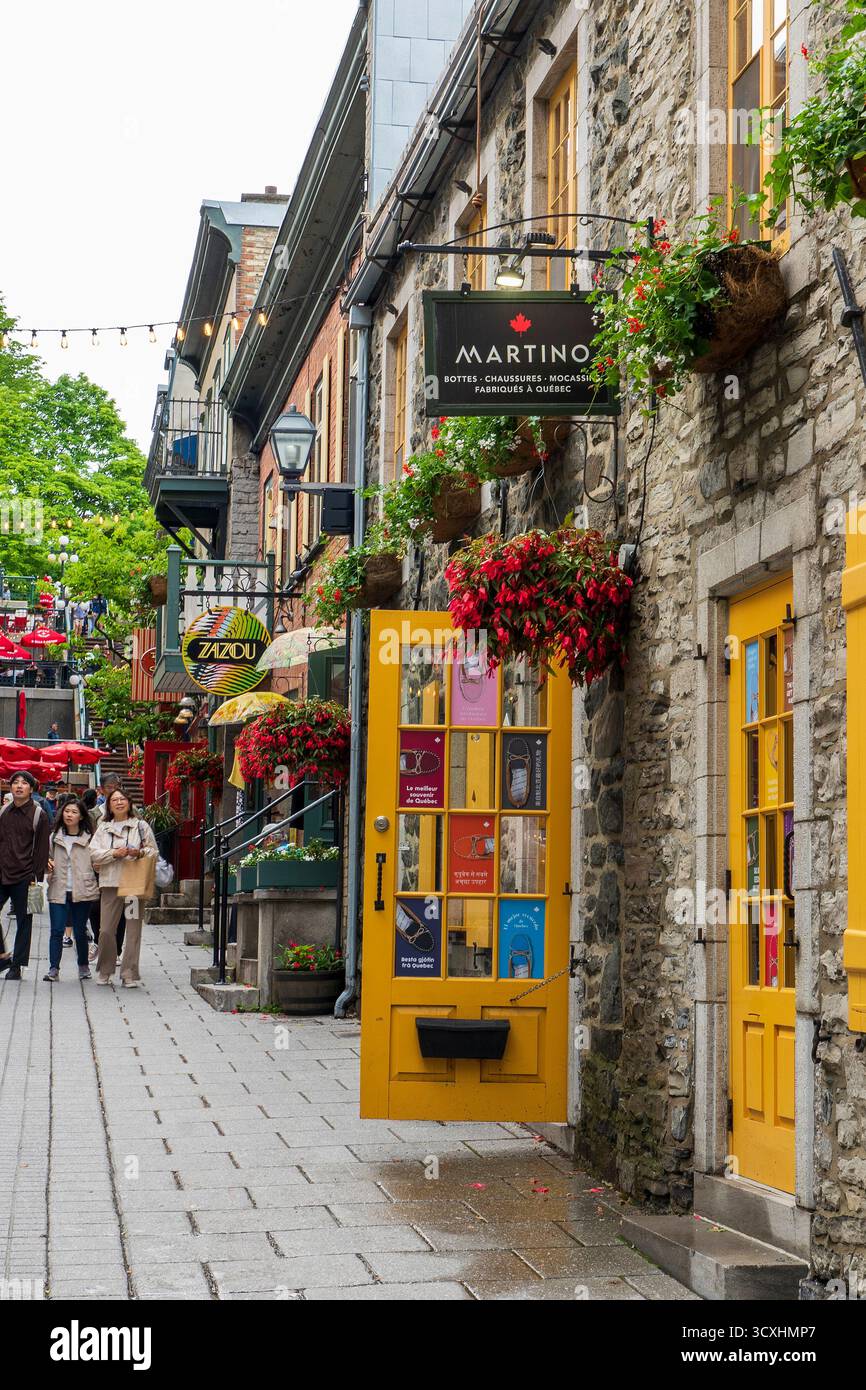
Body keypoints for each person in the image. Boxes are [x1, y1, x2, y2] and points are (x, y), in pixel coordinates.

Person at [90, 786, 157, 988]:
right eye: (114, 800)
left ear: (129, 803)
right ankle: (105, 969)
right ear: (109, 805)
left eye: (122, 799)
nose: (119, 802)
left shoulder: (141, 826)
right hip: (110, 883)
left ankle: (129, 973)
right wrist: (114, 853)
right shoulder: (103, 827)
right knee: (106, 930)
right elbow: (93, 853)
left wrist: (139, 853)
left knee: (133, 929)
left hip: (134, 886)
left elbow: (154, 852)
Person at [0, 771, 50, 981]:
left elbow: (41, 851)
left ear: (31, 788)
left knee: (24, 921)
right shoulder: (3, 812)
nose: (19, 786)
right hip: (1, 872)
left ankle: (17, 966)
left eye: (24, 783)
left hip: (25, 877)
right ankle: (3, 957)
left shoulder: (39, 815)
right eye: (15, 783)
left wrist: (35, 878)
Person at [43, 798, 99, 983]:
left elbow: (97, 862)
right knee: (56, 931)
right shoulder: (54, 837)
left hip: (82, 890)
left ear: (81, 816)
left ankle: (83, 965)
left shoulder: (90, 838)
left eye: (74, 812)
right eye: (67, 811)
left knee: (80, 931)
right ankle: (53, 968)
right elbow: (46, 859)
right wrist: (46, 865)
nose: (69, 815)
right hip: (58, 888)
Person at [80, 789, 102, 957]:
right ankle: (97, 940)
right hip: (91, 866)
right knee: (94, 907)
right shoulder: (93, 814)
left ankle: (115, 949)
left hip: (112, 868)